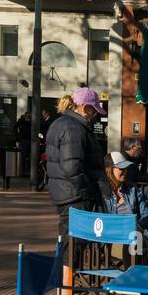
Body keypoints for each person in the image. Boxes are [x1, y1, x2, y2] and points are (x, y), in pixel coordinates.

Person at [44, 88, 109, 236]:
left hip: (66, 193)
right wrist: (88, 193)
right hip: (75, 196)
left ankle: (64, 259)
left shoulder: (61, 123)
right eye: (94, 110)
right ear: (86, 108)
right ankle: (67, 260)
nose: (95, 114)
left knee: (68, 239)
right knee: (74, 242)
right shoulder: (74, 128)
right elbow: (72, 167)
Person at [16, 111, 32, 177]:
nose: (28, 117)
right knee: (23, 156)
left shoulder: (31, 121)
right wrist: (18, 137)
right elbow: (15, 128)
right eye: (27, 115)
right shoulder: (21, 121)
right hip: (23, 140)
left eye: (29, 116)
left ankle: (28, 170)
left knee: (30, 156)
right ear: (25, 115)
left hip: (29, 140)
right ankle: (22, 171)